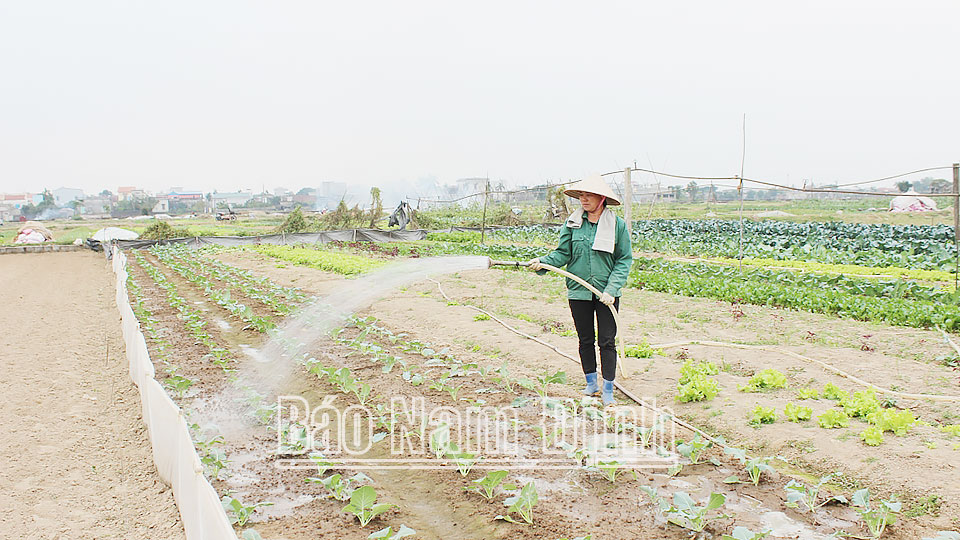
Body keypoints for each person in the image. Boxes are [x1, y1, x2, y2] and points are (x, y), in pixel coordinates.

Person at [528, 175, 633, 406]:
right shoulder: (572, 224)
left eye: (588, 195)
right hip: (579, 290)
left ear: (601, 198)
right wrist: (542, 263)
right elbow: (563, 253)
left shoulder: (618, 226)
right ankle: (591, 383)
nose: (583, 200)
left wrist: (612, 288)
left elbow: (624, 260)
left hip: (606, 293)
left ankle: (608, 389)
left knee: (606, 341)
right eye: (580, 196)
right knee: (585, 339)